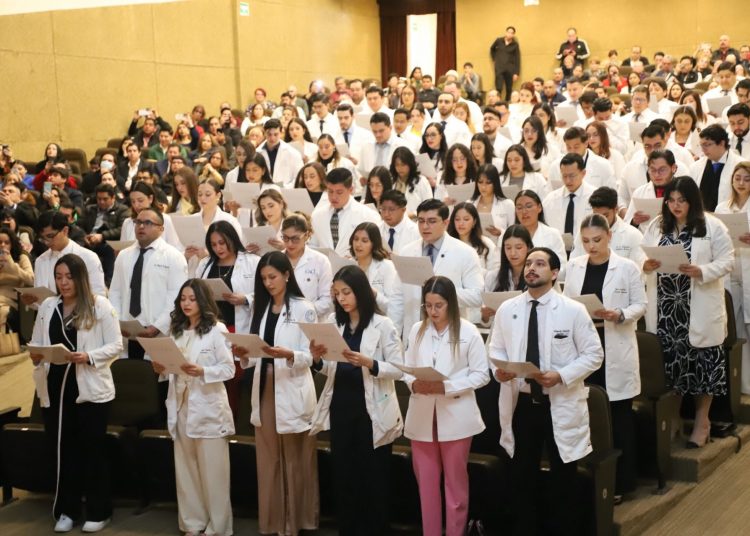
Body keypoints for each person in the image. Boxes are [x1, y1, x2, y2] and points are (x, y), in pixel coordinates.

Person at [489, 247, 602, 535]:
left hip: (559, 403)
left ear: (554, 273)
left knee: (564, 480)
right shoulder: (508, 309)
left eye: (539, 264)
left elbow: (594, 355)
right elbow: (496, 350)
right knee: (521, 478)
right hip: (522, 405)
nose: (531, 268)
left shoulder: (572, 310)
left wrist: (562, 375)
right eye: (529, 263)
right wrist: (499, 371)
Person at [29, 254, 123, 533]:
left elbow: (116, 345)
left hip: (90, 387)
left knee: (92, 451)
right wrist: (36, 354)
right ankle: (66, 510)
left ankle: (98, 511)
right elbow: (36, 341)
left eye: (69, 277)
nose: (64, 282)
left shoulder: (99, 305)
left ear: (80, 277)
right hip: (56, 387)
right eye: (59, 277)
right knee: (63, 451)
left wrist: (89, 356)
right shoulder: (49, 306)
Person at [309, 265, 404, 536]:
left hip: (372, 410)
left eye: (347, 292)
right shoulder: (334, 323)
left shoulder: (383, 324)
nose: (341, 298)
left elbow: (398, 369)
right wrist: (317, 359)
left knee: (373, 477)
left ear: (360, 291)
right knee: (344, 475)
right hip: (341, 406)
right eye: (337, 293)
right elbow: (331, 368)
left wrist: (370, 363)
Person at [642, 177, 734, 448]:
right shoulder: (657, 225)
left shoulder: (711, 225)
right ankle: (674, 418)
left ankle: (702, 421)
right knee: (671, 367)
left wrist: (702, 271)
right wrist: (645, 265)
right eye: (671, 200)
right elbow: (640, 256)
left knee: (702, 367)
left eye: (682, 200)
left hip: (698, 307)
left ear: (693, 200)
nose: (676, 206)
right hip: (666, 310)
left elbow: (727, 260)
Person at [234, 251, 319, 535]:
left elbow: (313, 355)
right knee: (269, 457)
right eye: (263, 279)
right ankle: (272, 522)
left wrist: (290, 354)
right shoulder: (262, 307)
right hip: (264, 386)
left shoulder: (304, 308)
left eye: (272, 277)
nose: (268, 283)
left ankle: (296, 522)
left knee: (295, 458)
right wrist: (244, 353)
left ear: (286, 275)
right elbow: (257, 352)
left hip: (291, 383)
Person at [563, 214, 647, 500]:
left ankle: (622, 483)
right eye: (586, 241)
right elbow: (567, 303)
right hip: (586, 345)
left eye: (597, 240)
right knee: (589, 413)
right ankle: (592, 481)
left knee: (618, 416)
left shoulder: (627, 267)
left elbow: (641, 304)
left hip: (615, 341)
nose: (591, 246)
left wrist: (619, 313)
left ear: (609, 236)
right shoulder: (575, 266)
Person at [403, 276, 489, 536]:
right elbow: (406, 369)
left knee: (455, 486)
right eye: (428, 305)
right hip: (422, 415)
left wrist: (447, 387)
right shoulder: (417, 329)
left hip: (456, 416)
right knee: (426, 487)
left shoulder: (468, 331)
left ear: (451, 303)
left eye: (438, 305)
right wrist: (413, 383)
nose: (433, 311)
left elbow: (482, 375)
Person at [153, 279, 234, 536]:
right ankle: (193, 522)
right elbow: (171, 366)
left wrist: (203, 371)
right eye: (183, 299)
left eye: (192, 299)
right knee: (186, 468)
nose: (186, 304)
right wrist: (161, 368)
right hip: (181, 404)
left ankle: (217, 526)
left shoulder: (217, 330)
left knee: (213, 471)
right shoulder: (176, 331)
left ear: (203, 301)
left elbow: (229, 369)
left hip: (208, 405)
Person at [109, 207, 188, 359]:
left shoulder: (174, 257)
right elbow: (115, 292)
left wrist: (159, 326)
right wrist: (117, 322)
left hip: (158, 330)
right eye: (138, 222)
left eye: (147, 223)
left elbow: (176, 296)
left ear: (161, 229)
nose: (141, 226)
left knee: (155, 371)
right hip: (127, 329)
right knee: (128, 370)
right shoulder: (124, 255)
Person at [399, 199, 483, 339]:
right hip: (415, 332)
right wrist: (396, 335)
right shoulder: (406, 251)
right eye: (421, 221)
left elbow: (477, 296)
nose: (425, 226)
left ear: (445, 223)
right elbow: (397, 296)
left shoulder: (465, 252)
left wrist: (443, 293)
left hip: (450, 333)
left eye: (432, 221)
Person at [716, 162, 750, 394]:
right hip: (731, 275)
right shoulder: (723, 207)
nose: (741, 183)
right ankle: (742, 385)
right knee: (735, 331)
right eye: (737, 178)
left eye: (746, 179)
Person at [29, 211, 107, 300]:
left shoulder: (88, 257)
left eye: (50, 236)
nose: (46, 242)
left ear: (65, 231)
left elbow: (98, 297)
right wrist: (33, 300)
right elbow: (40, 300)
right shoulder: (40, 260)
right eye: (43, 238)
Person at [309, 168, 381, 257]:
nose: (333, 197)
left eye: (339, 192)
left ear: (351, 190)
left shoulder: (368, 215)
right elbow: (312, 246)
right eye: (330, 191)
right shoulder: (317, 215)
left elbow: (377, 249)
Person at [350, 222, 404, 334]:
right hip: (353, 324)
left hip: (378, 326)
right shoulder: (348, 265)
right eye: (356, 239)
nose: (358, 244)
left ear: (374, 243)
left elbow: (392, 306)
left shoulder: (386, 266)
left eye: (364, 241)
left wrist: (374, 294)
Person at [570, 186, 646, 265]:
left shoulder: (633, 235)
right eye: (596, 215)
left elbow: (639, 267)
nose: (600, 220)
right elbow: (573, 263)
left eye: (605, 215)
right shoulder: (585, 232)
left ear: (616, 209)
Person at [281, 213, 334, 320]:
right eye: (285, 238)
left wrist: (304, 312)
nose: (290, 244)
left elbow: (327, 299)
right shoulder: (277, 260)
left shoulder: (320, 261)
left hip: (310, 320)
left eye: (295, 239)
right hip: (281, 319)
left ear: (306, 235)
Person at [78, 183, 131, 286]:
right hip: (88, 240)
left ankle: (109, 283)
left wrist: (102, 236)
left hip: (107, 242)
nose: (101, 202)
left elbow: (122, 229)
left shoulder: (122, 210)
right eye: (99, 199)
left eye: (105, 199)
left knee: (110, 249)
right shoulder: (89, 209)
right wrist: (84, 236)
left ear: (113, 197)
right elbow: (79, 225)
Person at [688, 124, 747, 211]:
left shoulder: (741, 165)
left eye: (707, 144)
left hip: (731, 214)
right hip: (701, 216)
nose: (703, 149)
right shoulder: (695, 167)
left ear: (722, 143)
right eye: (701, 145)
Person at [514, 189, 567, 280]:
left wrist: (544, 277)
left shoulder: (553, 234)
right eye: (519, 208)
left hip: (546, 283)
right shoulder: (508, 235)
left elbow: (562, 267)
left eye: (529, 206)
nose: (524, 211)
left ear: (539, 208)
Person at [542, 153, 595, 242]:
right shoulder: (550, 200)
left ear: (583, 173)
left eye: (572, 176)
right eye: (564, 176)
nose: (568, 180)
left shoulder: (594, 196)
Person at [0, 226, 34, 336]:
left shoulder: (21, 257)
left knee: (3, 312)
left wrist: (11, 264)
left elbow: (31, 279)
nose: (2, 245)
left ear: (12, 244)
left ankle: (4, 343)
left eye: (6, 242)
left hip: (13, 299)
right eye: (0, 242)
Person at [471, 163, 515, 239]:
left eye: (488, 183)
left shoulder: (508, 204)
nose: (483, 187)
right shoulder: (470, 204)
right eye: (480, 182)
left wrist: (501, 232)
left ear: (495, 183)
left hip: (499, 244)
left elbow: (514, 233)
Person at [258, 118, 304, 188]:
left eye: (275, 134)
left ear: (281, 133)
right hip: (263, 190)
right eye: (269, 134)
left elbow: (299, 177)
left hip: (286, 191)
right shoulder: (257, 152)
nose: (272, 138)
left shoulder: (293, 153)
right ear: (264, 133)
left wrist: (285, 187)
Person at [389, 147, 433, 215]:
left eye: (403, 165)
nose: (400, 168)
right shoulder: (392, 182)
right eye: (397, 165)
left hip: (416, 220)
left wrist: (412, 215)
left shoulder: (421, 181)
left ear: (410, 164)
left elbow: (430, 205)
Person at [378, 189, 421, 255]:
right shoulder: (377, 229)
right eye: (383, 209)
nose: (386, 214)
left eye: (391, 210)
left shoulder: (416, 232)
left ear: (403, 210)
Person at [490, 26, 521, 100]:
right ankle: (497, 102)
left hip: (510, 69)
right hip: (499, 68)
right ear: (506, 32)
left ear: (513, 35)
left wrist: (516, 73)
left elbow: (517, 58)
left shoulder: (515, 44)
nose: (510, 34)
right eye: (508, 32)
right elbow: (492, 49)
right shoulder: (498, 40)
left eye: (512, 33)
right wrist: (494, 59)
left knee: (509, 88)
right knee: (499, 87)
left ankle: (507, 103)